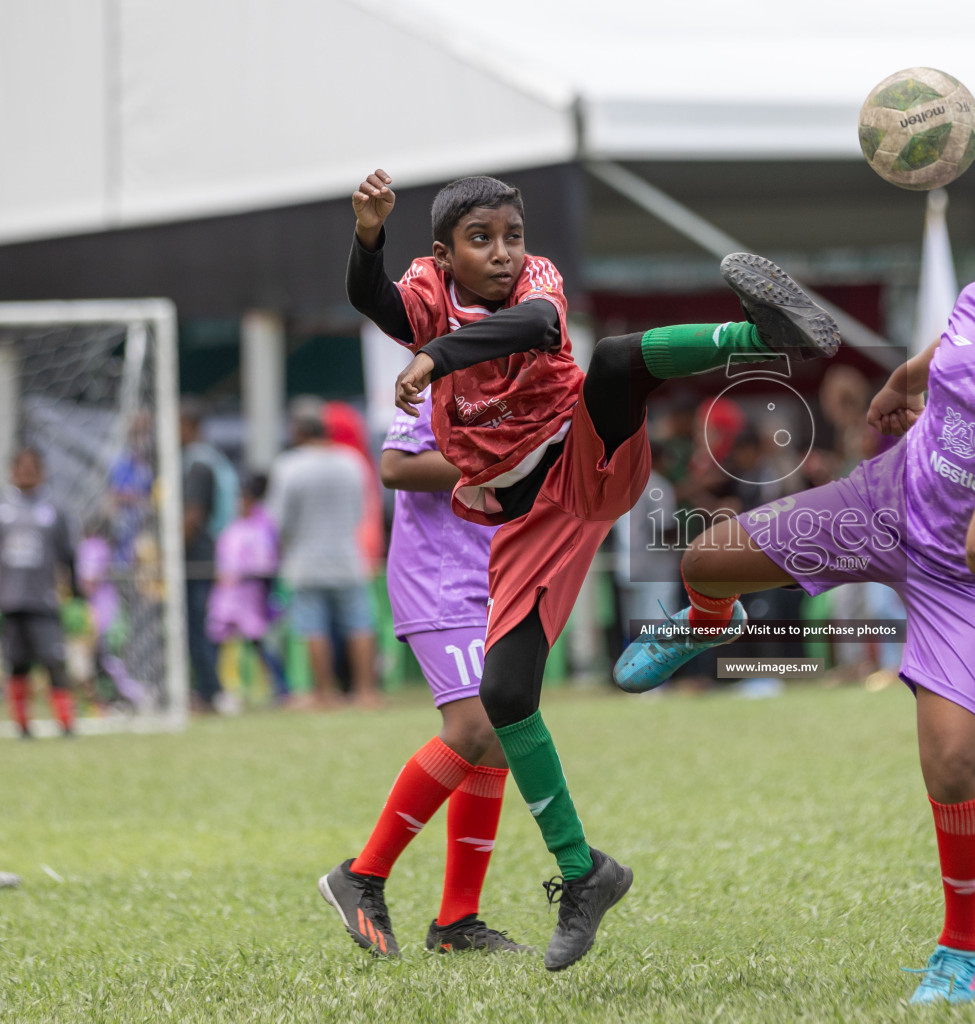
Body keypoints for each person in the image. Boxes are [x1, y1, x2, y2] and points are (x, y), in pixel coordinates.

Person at [616, 194, 975, 1004]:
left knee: (957, 764)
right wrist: (900, 382)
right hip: (882, 506)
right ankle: (708, 624)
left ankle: (964, 952)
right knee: (708, 560)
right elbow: (948, 349)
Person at [344, 169, 839, 969]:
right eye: (482, 241)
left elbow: (537, 325)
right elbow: (377, 304)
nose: (504, 254)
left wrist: (434, 360)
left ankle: (759, 338)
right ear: (442, 254)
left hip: (585, 459)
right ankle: (585, 874)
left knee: (610, 360)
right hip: (529, 521)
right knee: (505, 701)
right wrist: (368, 236)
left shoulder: (538, 284)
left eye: (513, 236)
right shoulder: (426, 292)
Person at [319, 387, 532, 958]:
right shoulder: (443, 381)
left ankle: (457, 923)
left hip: (497, 577)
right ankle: (361, 875)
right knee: (475, 728)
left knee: (498, 742)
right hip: (441, 580)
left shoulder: (537, 381)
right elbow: (394, 467)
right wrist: (508, 458)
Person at [268, 397, 379, 708]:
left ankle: (325, 693)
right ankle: (366, 692)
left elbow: (279, 520)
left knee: (313, 627)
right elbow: (361, 510)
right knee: (359, 623)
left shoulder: (289, 466)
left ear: (299, 431)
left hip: (305, 560)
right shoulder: (352, 461)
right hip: (348, 555)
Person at [1, 448, 79, 737]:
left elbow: (68, 556)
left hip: (44, 599)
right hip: (10, 601)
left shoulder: (54, 510)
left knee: (53, 661)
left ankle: (67, 724)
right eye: (21, 468)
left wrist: (74, 592)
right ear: (12, 472)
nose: (26, 473)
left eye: (32, 468)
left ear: (42, 472)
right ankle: (21, 726)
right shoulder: (3, 508)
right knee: (16, 664)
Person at [206, 474, 286, 708]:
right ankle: (225, 690)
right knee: (224, 646)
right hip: (227, 599)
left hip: (249, 598)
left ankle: (279, 688)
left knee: (259, 644)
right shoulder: (234, 527)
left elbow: (264, 564)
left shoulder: (262, 526)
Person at [180, 402, 237, 712]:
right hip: (209, 553)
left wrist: (168, 550)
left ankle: (209, 691)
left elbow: (193, 514)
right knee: (200, 623)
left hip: (196, 558)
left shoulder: (198, 463)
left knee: (196, 625)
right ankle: (206, 689)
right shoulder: (211, 459)